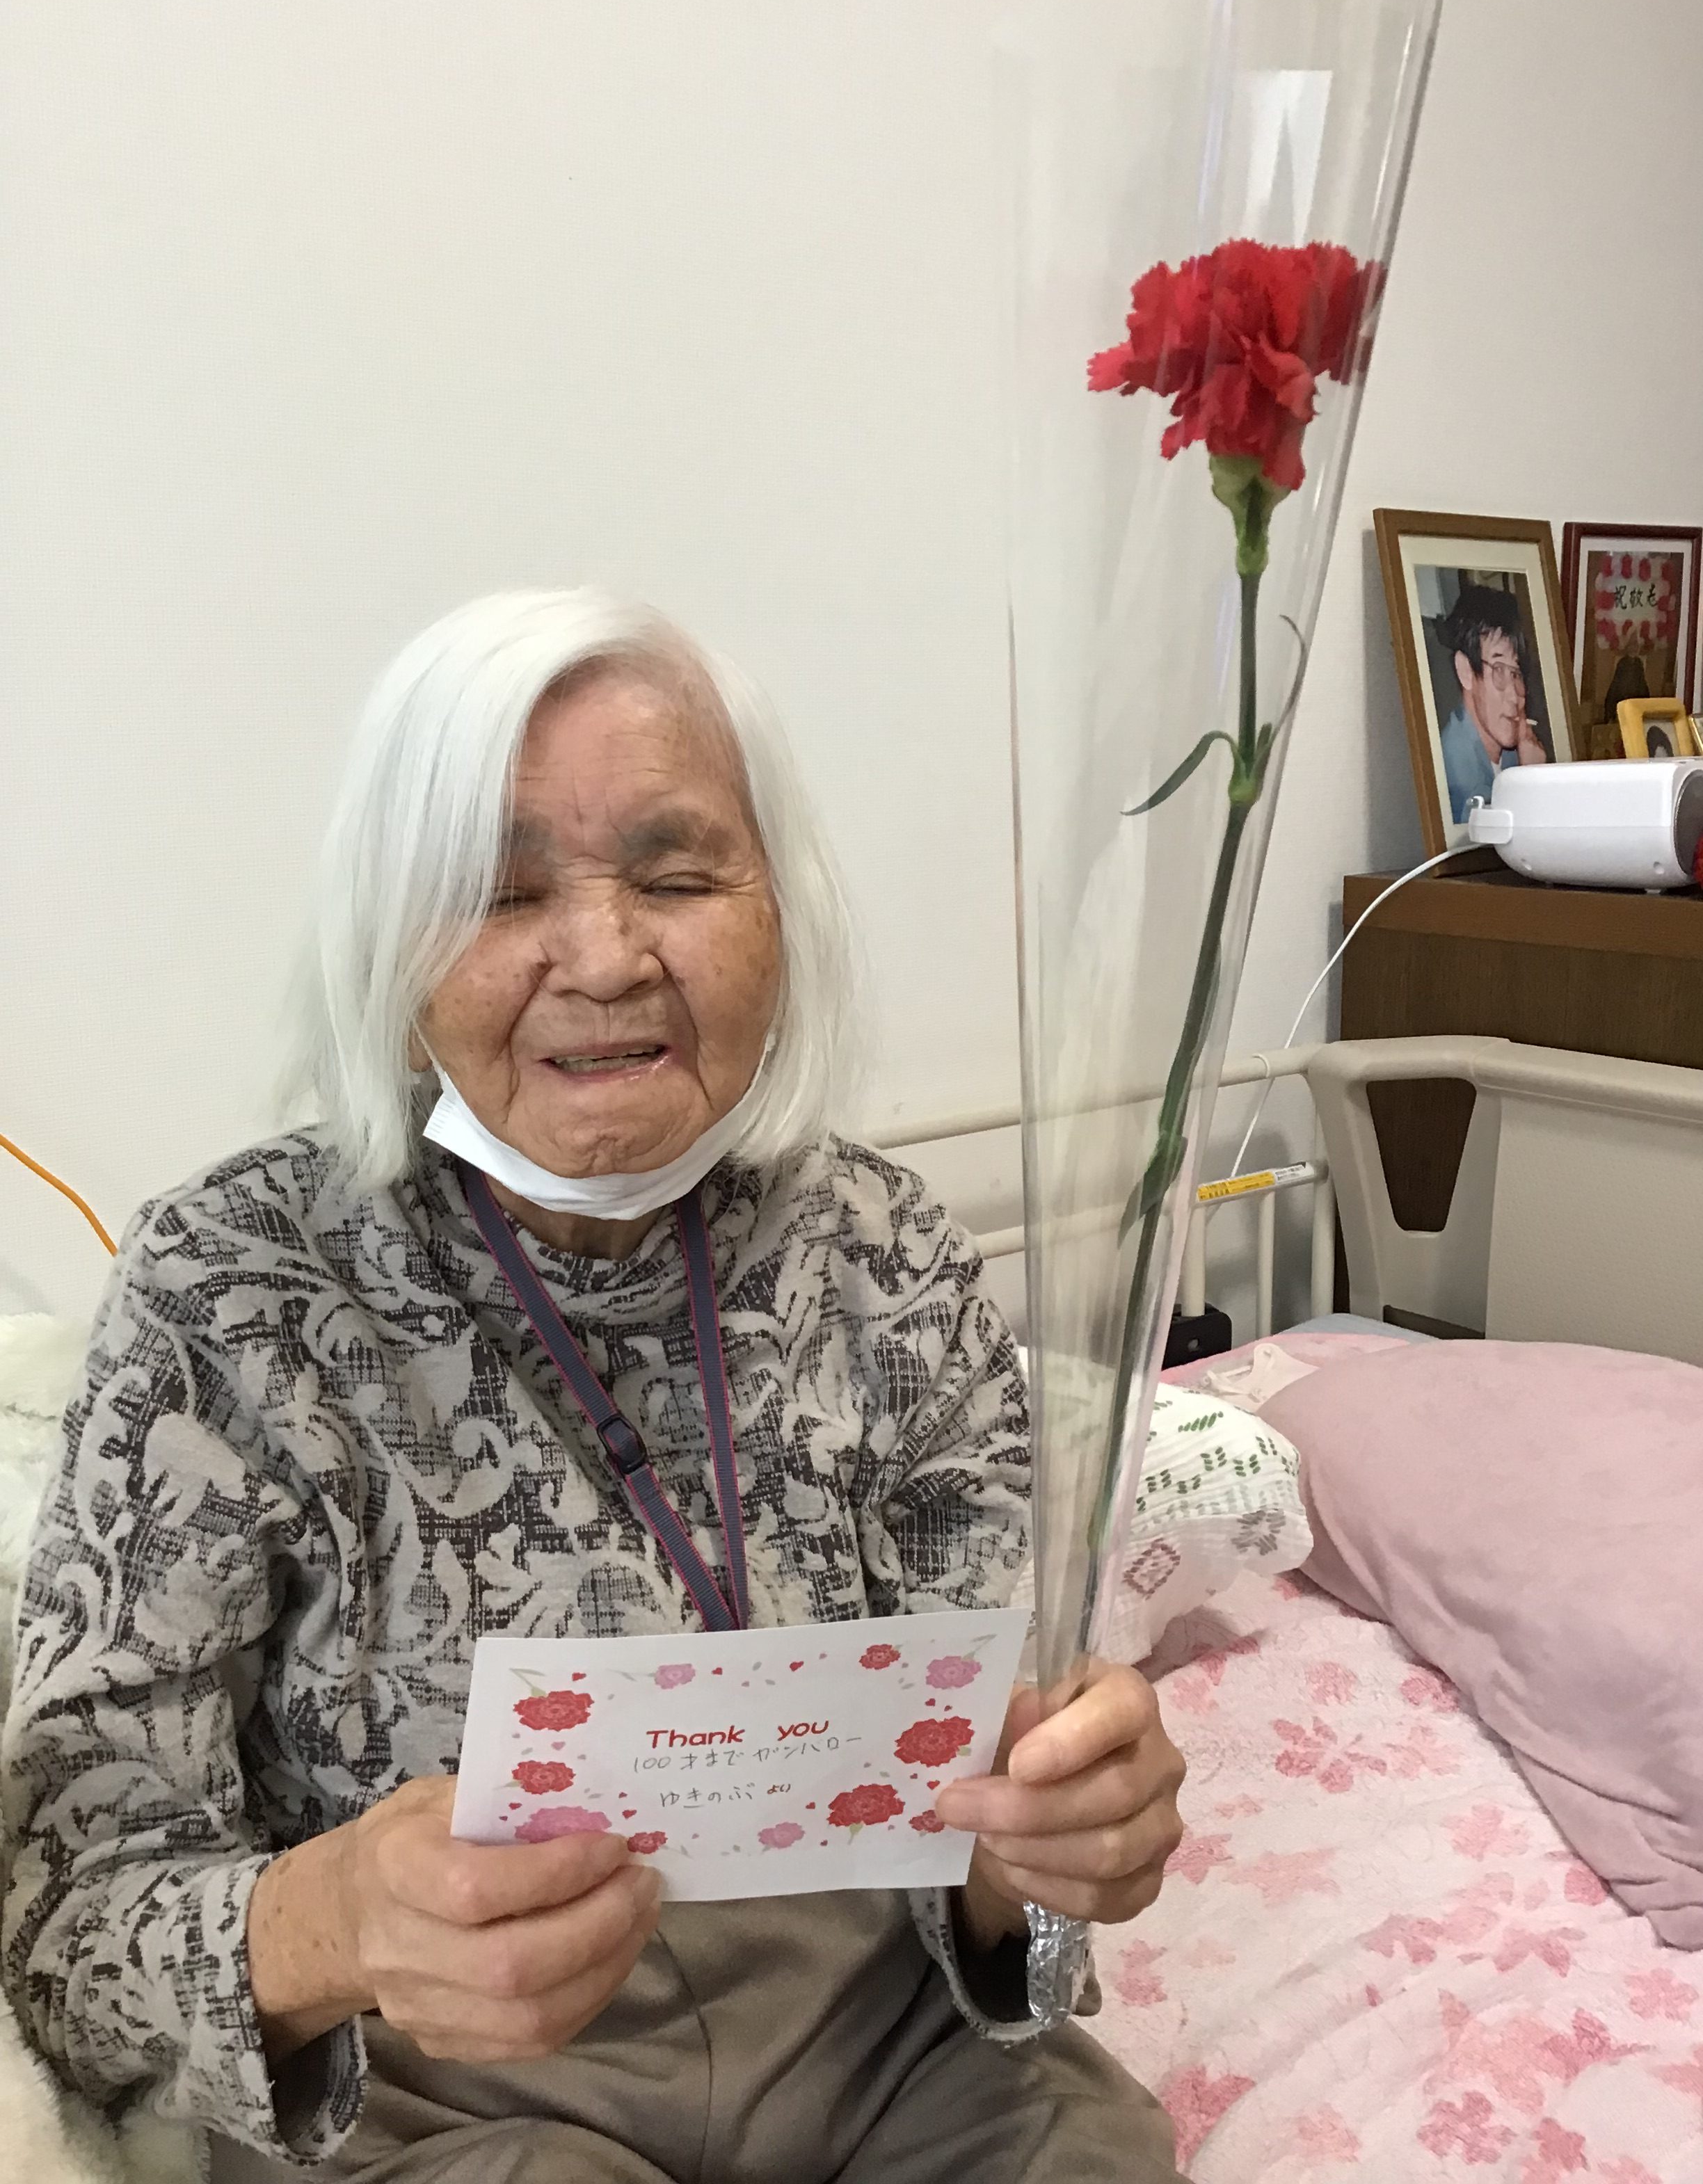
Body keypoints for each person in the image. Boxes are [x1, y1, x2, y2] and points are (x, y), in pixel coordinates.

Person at [2, 591, 1187, 2183]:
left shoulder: (884, 1252)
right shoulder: (233, 1286)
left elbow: (987, 1792)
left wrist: (1044, 1844)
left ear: (782, 915)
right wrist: (329, 1921)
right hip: (443, 2089)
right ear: (388, 948)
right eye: (500, 894)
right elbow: (63, 1920)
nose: (609, 957)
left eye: (679, 877)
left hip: (881, 2045)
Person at [1437, 584, 1549, 823]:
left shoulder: (1510, 751)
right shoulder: (1456, 770)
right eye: (1498, 670)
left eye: (1516, 673)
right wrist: (1531, 778)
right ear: (1466, 671)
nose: (1515, 696)